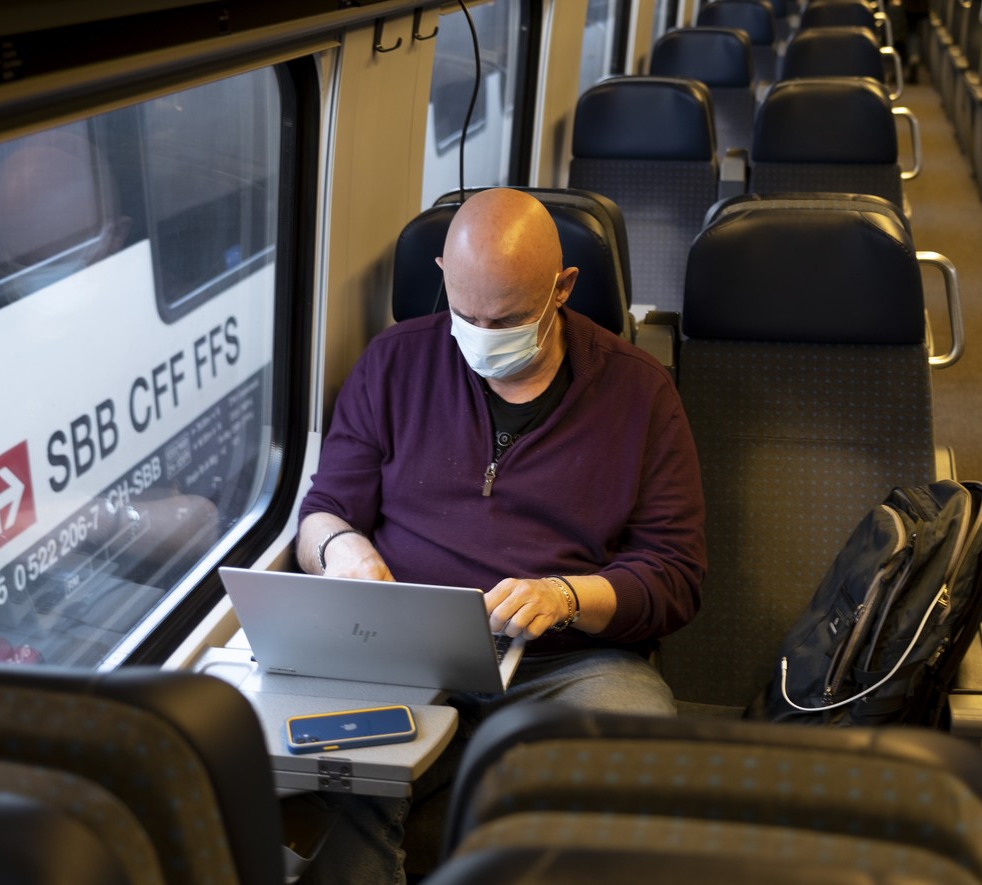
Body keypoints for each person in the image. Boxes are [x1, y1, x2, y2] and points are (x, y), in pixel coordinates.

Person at [295, 187, 706, 883]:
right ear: (443, 277)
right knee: (335, 774)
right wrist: (341, 548)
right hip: (411, 652)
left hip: (571, 661)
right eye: (466, 314)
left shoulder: (640, 393)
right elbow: (324, 510)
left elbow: (675, 574)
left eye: (508, 318)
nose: (482, 335)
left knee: (635, 753)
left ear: (563, 287)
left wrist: (568, 595)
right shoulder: (394, 363)